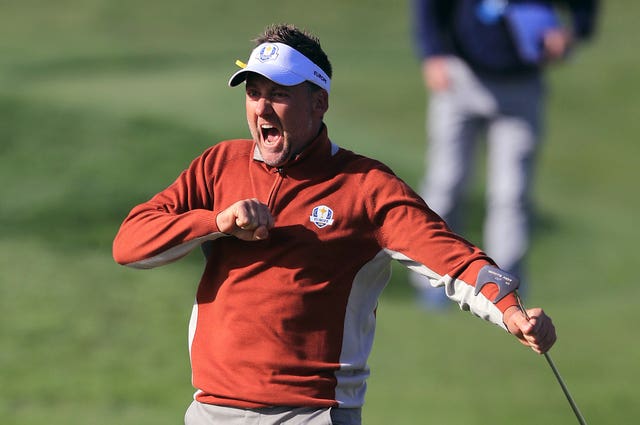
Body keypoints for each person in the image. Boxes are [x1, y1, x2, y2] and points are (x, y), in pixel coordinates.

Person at [113, 23, 556, 425]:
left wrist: (512, 313)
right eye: (253, 92)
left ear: (319, 102)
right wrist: (216, 221)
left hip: (312, 415)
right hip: (211, 410)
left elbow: (449, 257)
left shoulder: (366, 186)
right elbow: (130, 244)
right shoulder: (218, 165)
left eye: (280, 94)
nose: (262, 109)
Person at [410, 0, 599, 309]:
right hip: (461, 75)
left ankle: (503, 292)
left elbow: (584, 9)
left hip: (521, 87)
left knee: (512, 193)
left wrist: (572, 33)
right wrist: (432, 53)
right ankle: (434, 280)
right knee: (447, 182)